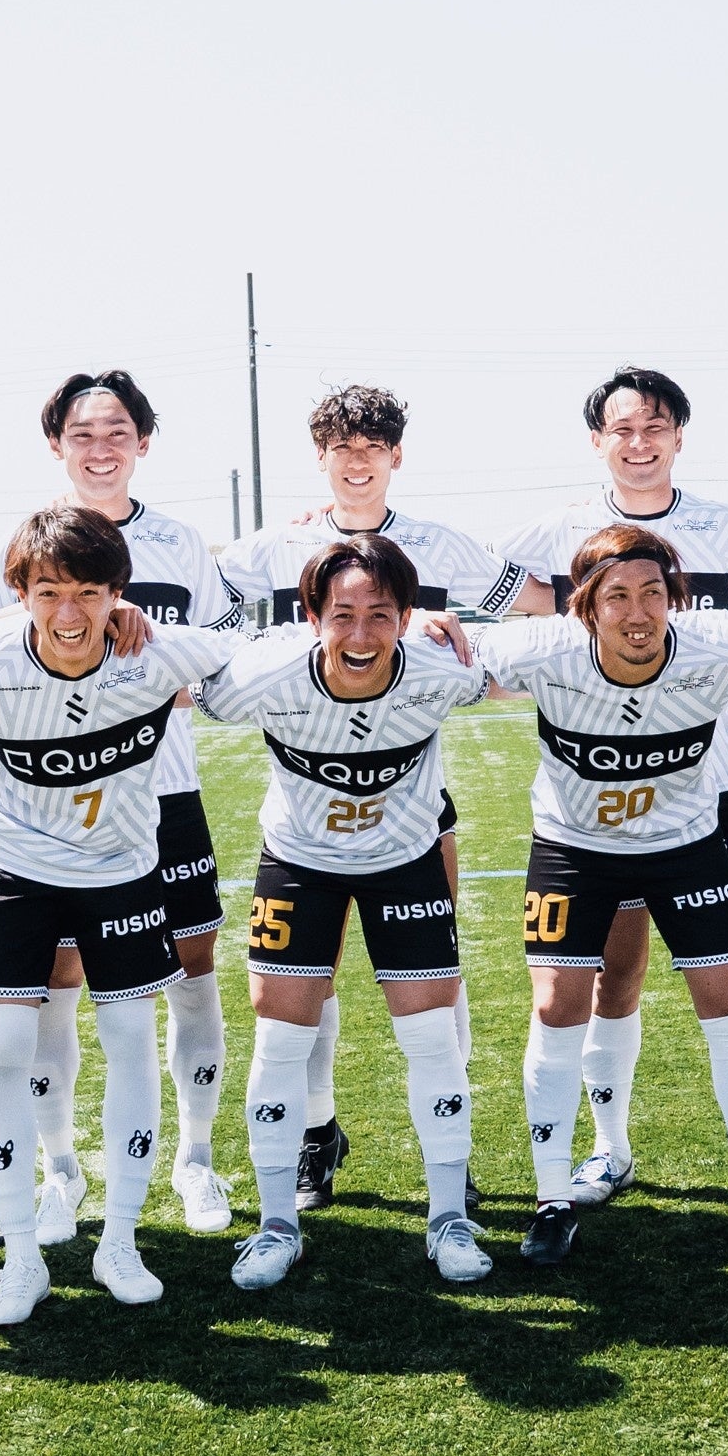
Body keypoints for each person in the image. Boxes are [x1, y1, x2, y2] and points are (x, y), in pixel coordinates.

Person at [495, 366, 728, 1213]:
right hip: (594, 795)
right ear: (596, 441)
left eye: (654, 427)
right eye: (622, 428)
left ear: (679, 436)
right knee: (612, 972)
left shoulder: (725, 527)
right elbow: (452, 591)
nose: (638, 442)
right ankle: (608, 1147)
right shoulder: (552, 531)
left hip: (708, 786)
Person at [216, 384, 552, 1213]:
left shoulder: (439, 543)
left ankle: (449, 1154)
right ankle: (314, 1130)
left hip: (410, 796)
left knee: (434, 975)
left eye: (373, 447)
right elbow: (199, 620)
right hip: (309, 795)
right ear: (320, 457)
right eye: (342, 447)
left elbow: (541, 608)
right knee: (310, 976)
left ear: (396, 455)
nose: (357, 461)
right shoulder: (274, 546)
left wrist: (454, 627)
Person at [0, 504, 247, 1321]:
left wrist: (422, 630)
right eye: (48, 593)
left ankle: (121, 1241)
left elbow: (265, 652)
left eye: (89, 593)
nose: (68, 613)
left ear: (118, 593)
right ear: (20, 595)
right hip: (17, 876)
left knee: (130, 1036)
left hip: (122, 872)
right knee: (4, 1047)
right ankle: (22, 1258)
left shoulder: (159, 651)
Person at [0, 372, 248, 1243]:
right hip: (49, 813)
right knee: (54, 990)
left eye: (117, 430)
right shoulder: (22, 541)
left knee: (192, 977)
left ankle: (196, 1158)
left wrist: (150, 654)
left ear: (143, 442)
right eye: (82, 432)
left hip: (161, 793)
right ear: (56, 443)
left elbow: (224, 657)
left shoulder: (180, 542)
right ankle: (60, 1171)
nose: (100, 447)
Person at [475, 525, 728, 1263]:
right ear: (585, 606)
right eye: (616, 596)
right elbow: (453, 652)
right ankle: (552, 1198)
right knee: (557, 1006)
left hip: (686, 847)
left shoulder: (718, 649)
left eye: (653, 592)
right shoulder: (539, 651)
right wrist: (430, 622)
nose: (638, 612)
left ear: (674, 598)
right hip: (574, 850)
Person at [195, 534, 494, 1288]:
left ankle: (449, 1217)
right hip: (301, 864)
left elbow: (537, 655)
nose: (360, 634)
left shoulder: (444, 668)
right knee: (279, 1039)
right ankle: (276, 1225)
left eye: (380, 614)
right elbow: (190, 675)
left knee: (432, 1039)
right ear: (312, 617)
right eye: (342, 615)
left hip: (405, 863)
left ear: (407, 618)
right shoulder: (265, 674)